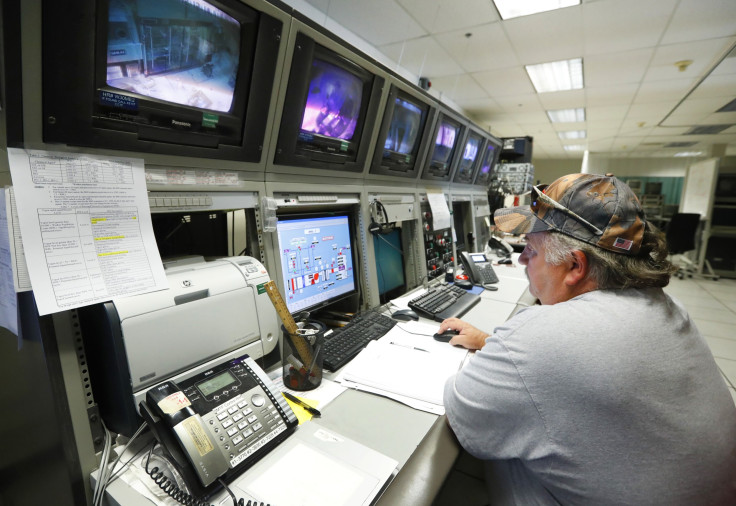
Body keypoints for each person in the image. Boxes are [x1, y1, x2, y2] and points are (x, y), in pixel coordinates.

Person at [440, 173, 736, 505]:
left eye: (532, 250)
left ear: (574, 266)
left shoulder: (539, 338)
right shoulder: (671, 307)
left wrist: (508, 352)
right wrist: (489, 343)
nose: (521, 259)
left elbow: (462, 411)